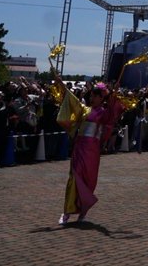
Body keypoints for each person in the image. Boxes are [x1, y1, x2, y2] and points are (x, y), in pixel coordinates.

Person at [53, 72, 124, 226]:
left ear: (101, 98)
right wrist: (61, 84)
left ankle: (83, 212)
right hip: (80, 147)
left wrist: (114, 94)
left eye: (95, 96)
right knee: (74, 177)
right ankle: (66, 213)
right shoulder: (84, 109)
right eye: (91, 96)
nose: (92, 98)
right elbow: (72, 100)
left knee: (89, 181)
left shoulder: (104, 113)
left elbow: (112, 114)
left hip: (92, 151)